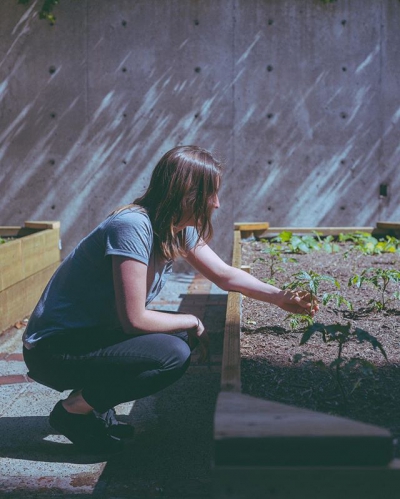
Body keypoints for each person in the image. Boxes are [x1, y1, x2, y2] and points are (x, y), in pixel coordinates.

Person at [22, 145, 317, 454]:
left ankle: (92, 405)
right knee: (172, 352)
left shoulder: (174, 227)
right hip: (54, 349)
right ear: (187, 194)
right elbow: (134, 319)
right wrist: (191, 319)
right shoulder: (133, 226)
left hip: (89, 336)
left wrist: (280, 297)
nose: (217, 204)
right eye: (211, 194)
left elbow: (224, 274)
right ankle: (74, 411)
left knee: (175, 336)